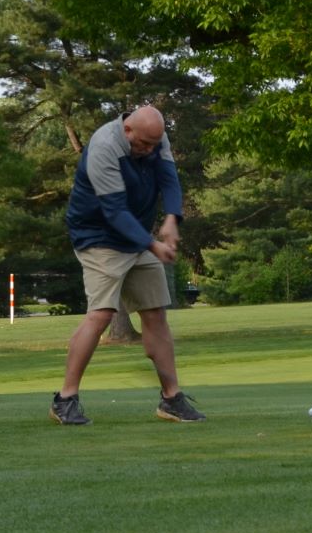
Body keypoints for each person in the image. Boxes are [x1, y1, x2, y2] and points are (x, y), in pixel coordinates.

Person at [50, 104, 205, 425]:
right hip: (98, 236)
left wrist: (172, 219)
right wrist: (152, 244)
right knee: (102, 313)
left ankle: (171, 399)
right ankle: (65, 399)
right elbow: (115, 211)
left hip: (136, 236)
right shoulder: (104, 147)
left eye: (153, 145)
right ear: (127, 130)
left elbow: (169, 179)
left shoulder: (155, 139)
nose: (149, 150)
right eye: (143, 145)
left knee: (155, 311)